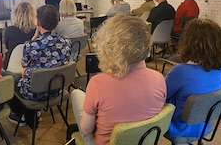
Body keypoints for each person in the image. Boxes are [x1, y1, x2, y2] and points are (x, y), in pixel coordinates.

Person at [71, 15, 166, 145]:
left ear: (109, 45)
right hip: (144, 141)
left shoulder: (98, 83)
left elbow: (86, 130)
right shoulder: (159, 78)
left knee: (76, 94)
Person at [7, 5, 71, 128]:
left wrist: (33, 39)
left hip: (34, 93)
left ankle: (20, 114)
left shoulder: (31, 45)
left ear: (38, 22)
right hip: (57, 90)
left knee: (10, 78)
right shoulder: (66, 41)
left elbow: (24, 65)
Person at [165, 18, 221, 138]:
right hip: (204, 124)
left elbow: (161, 96)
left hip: (178, 127)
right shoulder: (219, 69)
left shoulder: (181, 71)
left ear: (189, 42)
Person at [3, 2, 36, 69]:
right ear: (33, 14)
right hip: (31, 67)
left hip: (11, 67)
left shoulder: (10, 30)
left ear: (16, 14)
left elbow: (7, 47)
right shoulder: (37, 31)